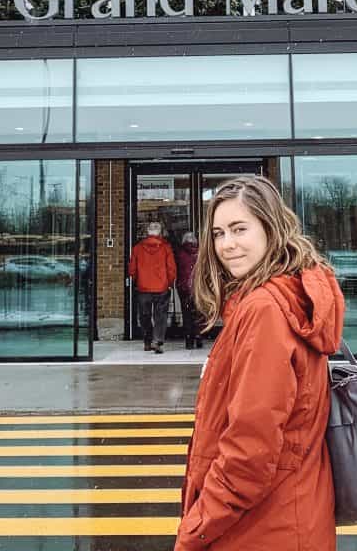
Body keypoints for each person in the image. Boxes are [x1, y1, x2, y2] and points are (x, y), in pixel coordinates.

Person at [175, 175, 345, 551]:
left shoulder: (265, 309)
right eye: (218, 233)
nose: (227, 245)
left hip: (259, 528)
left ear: (271, 228)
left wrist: (197, 529)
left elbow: (250, 447)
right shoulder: (288, 295)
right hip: (292, 512)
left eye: (239, 229)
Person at [128, 221, 176, 354]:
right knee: (160, 316)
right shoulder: (166, 247)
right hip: (161, 287)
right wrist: (170, 283)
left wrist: (137, 281)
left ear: (147, 232)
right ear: (160, 233)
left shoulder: (137, 248)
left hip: (143, 287)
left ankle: (147, 341)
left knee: (145, 316)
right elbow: (171, 268)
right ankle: (157, 340)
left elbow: (132, 269)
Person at [175, 231, 204, 350]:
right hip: (199, 287)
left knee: (186, 313)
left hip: (184, 287)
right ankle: (198, 335)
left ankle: (188, 340)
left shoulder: (179, 253)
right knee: (199, 312)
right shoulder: (201, 253)